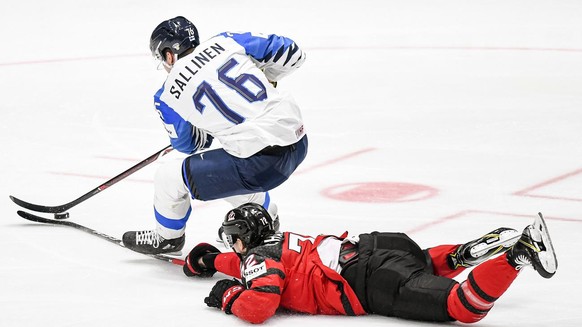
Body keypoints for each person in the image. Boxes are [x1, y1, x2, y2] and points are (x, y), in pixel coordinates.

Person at [182, 203, 558, 324]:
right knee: (424, 263)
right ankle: (462, 254)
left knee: (462, 308)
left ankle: (518, 253)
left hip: (367, 281)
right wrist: (211, 260)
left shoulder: (259, 260)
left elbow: (260, 304)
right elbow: (252, 262)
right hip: (379, 248)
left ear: (242, 237)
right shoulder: (280, 243)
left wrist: (228, 295)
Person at [122, 16, 308, 255]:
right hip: (299, 142)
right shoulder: (227, 41)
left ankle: (167, 238)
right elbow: (293, 52)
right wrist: (267, 78)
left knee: (170, 175)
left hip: (260, 165)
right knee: (229, 164)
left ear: (169, 55)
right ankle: (267, 217)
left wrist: (204, 124)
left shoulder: (166, 95)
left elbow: (189, 146)